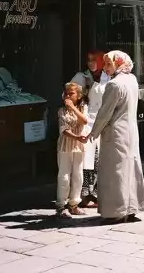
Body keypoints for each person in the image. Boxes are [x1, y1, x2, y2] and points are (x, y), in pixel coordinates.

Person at [86, 51, 144, 224]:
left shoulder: (114, 85)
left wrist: (94, 131)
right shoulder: (132, 80)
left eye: (109, 64)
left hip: (116, 132)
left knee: (115, 172)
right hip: (130, 131)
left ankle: (115, 211)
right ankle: (131, 207)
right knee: (130, 168)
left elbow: (105, 113)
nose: (105, 67)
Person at [70, 50, 109, 209]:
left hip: (103, 122)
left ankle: (99, 193)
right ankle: (85, 194)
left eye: (95, 60)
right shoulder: (82, 77)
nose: (91, 63)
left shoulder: (108, 77)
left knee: (101, 159)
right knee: (88, 158)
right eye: (89, 60)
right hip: (87, 122)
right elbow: (68, 95)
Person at [56, 82, 88, 218]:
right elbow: (64, 130)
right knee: (64, 176)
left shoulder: (83, 107)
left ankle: (74, 204)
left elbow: (84, 120)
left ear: (79, 95)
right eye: (67, 93)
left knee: (78, 175)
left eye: (72, 93)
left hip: (79, 147)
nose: (68, 95)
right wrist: (76, 137)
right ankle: (61, 205)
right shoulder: (61, 110)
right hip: (66, 145)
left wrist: (73, 108)